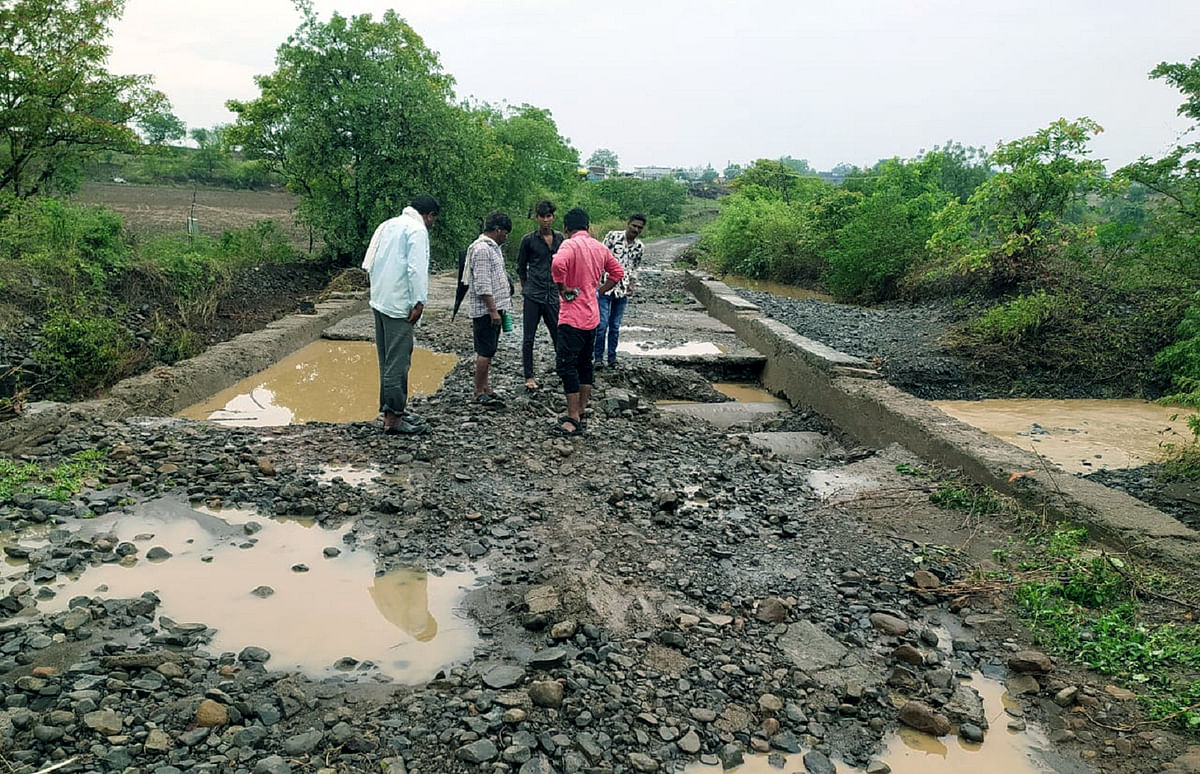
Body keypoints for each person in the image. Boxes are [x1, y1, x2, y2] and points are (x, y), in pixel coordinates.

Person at [362, 194, 439, 435]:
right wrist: (419, 301)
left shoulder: (387, 225)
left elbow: (368, 262)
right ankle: (393, 419)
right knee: (398, 362)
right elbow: (416, 269)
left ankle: (390, 410)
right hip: (399, 306)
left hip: (380, 300)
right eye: (433, 219)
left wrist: (378, 290)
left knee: (386, 360)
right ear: (429, 215)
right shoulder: (416, 231)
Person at [550, 208, 624, 437]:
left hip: (572, 316)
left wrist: (562, 288)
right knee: (585, 363)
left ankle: (572, 416)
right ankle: (581, 410)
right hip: (592, 317)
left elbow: (557, 265)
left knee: (566, 365)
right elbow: (617, 272)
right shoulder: (599, 247)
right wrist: (598, 291)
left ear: (566, 229)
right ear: (588, 227)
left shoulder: (569, 245)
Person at [465, 210, 514, 408]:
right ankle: (478, 391)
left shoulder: (493, 248)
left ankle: (485, 387)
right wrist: (493, 311)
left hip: (495, 307)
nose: (506, 237)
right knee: (484, 351)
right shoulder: (482, 250)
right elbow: (483, 284)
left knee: (490, 349)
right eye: (506, 232)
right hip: (486, 310)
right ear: (497, 230)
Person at [516, 200, 564, 391]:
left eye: (549, 216)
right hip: (533, 294)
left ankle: (563, 370)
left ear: (553, 217)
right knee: (529, 337)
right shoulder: (529, 240)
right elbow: (521, 268)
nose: (546, 220)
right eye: (542, 216)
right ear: (537, 218)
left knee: (558, 334)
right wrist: (526, 289)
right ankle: (529, 375)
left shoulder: (560, 239)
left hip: (553, 293)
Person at [594, 213, 646, 369]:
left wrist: (632, 284)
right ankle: (597, 359)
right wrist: (596, 280)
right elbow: (599, 257)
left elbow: (635, 267)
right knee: (601, 325)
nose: (636, 229)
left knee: (615, 326)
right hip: (605, 287)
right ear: (628, 223)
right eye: (634, 225)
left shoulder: (639, 247)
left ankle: (612, 359)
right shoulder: (613, 237)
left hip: (622, 291)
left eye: (639, 228)